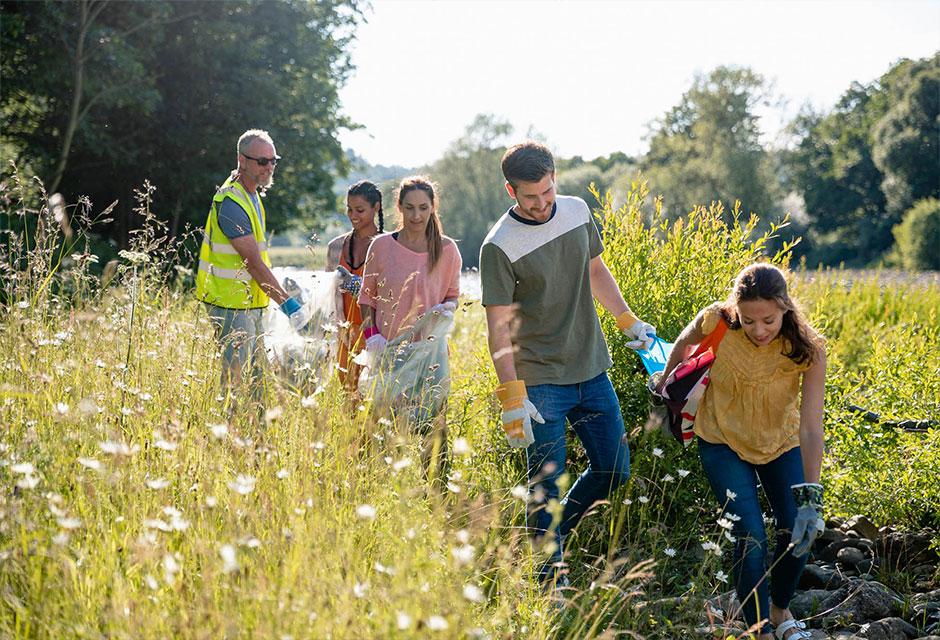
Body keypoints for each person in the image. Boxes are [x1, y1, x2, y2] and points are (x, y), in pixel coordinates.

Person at [479, 141, 656, 589]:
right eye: (530, 197)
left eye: (547, 192)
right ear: (510, 191)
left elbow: (595, 271)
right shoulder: (499, 245)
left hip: (591, 367)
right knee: (545, 488)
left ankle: (550, 538)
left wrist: (627, 319)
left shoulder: (576, 211)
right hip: (539, 381)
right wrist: (512, 396)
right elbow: (498, 328)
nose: (541, 204)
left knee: (614, 470)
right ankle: (549, 583)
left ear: (555, 178)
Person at [655, 263, 826, 640]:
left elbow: (812, 429)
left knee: (797, 529)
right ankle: (759, 630)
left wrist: (811, 499)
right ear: (736, 309)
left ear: (785, 308)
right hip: (722, 440)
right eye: (749, 321)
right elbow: (682, 345)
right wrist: (666, 386)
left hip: (780, 444)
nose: (759, 330)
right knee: (750, 536)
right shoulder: (716, 320)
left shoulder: (808, 348)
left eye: (768, 320)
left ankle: (780, 610)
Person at [195, 129, 308, 412]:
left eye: (273, 161)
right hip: (230, 303)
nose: (269, 167)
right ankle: (228, 433)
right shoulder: (231, 203)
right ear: (242, 161)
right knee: (236, 381)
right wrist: (289, 305)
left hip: (247, 303)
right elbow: (254, 264)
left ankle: (256, 433)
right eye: (262, 161)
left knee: (257, 380)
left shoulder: (252, 195)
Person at [358, 175, 462, 476]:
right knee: (385, 428)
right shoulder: (380, 246)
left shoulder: (447, 249)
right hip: (389, 352)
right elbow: (366, 298)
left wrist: (447, 308)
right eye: (410, 208)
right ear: (399, 207)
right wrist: (372, 336)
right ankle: (383, 486)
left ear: (433, 207)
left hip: (431, 354)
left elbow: (452, 294)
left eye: (423, 208)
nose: (416, 215)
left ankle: (436, 488)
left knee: (433, 428)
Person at [325, 180, 384, 391]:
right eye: (349, 209)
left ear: (376, 207)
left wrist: (358, 286)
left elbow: (393, 292)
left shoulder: (389, 246)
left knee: (374, 394)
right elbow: (328, 294)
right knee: (349, 394)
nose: (353, 215)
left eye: (360, 210)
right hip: (344, 334)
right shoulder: (335, 247)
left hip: (376, 334)